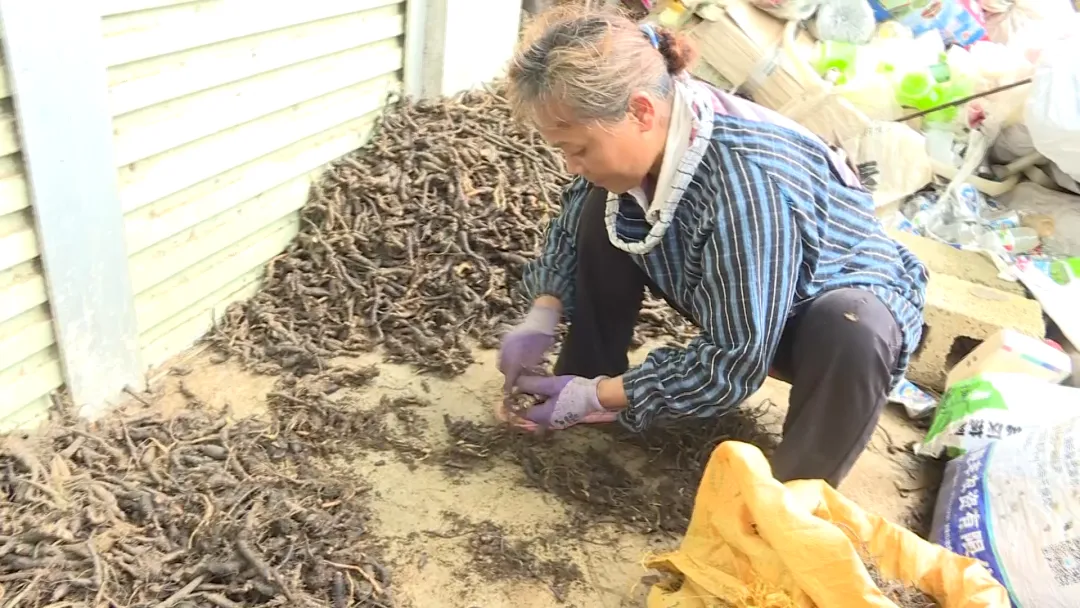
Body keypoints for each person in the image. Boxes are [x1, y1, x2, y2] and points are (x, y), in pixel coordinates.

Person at [496, 8, 927, 487]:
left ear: (640, 110)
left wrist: (598, 396)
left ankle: (794, 496)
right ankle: (578, 380)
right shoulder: (665, 122)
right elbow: (575, 218)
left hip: (821, 311)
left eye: (578, 149)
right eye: (563, 150)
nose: (572, 166)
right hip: (747, 285)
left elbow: (733, 361)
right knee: (605, 207)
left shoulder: (747, 185)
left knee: (852, 326)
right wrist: (543, 312)